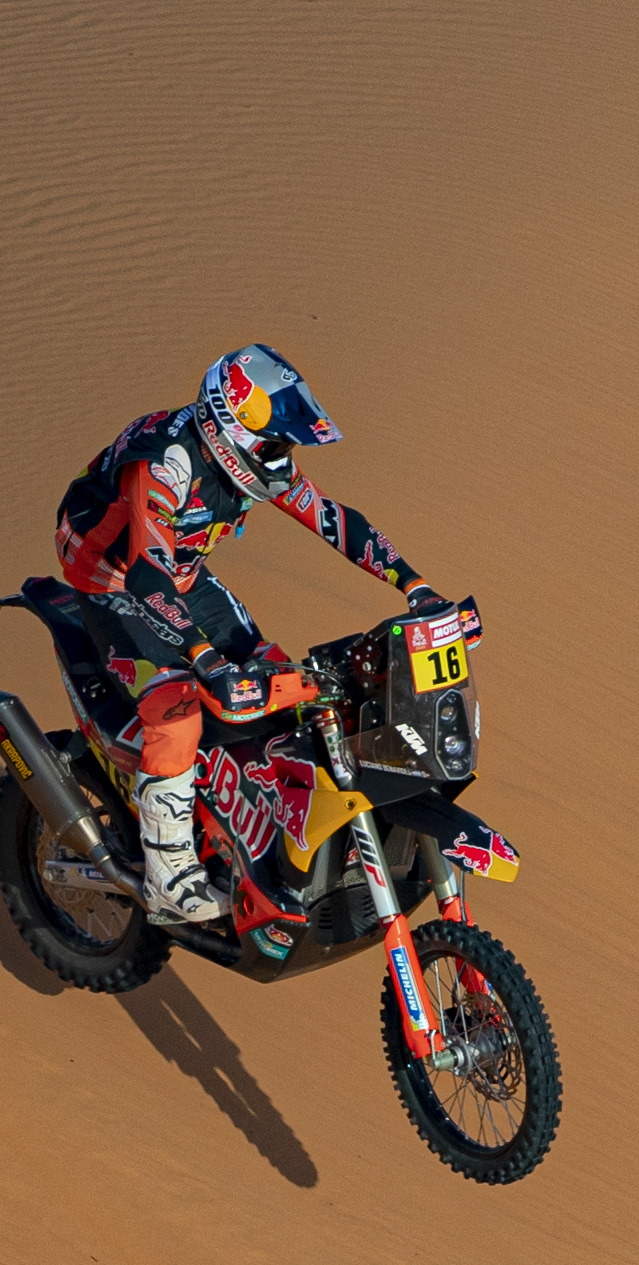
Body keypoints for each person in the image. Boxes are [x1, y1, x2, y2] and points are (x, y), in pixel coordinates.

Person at [54, 345, 454, 924]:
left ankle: (254, 814)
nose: (282, 458)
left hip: (182, 570)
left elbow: (331, 518)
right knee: (180, 705)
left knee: (281, 677)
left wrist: (415, 587)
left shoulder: (250, 460)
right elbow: (144, 569)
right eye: (273, 446)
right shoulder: (165, 462)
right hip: (112, 577)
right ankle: (169, 872)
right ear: (227, 432)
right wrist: (201, 656)